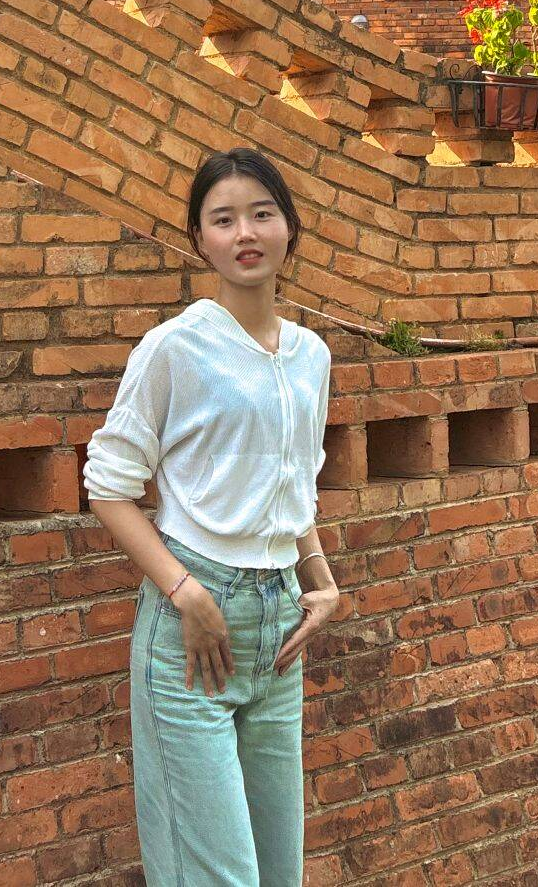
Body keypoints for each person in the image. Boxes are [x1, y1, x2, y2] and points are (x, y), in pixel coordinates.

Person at [83, 146, 339, 886]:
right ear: (199, 239)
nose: (245, 233)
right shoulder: (175, 349)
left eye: (262, 213)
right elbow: (107, 485)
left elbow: (292, 485)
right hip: (193, 627)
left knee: (279, 872)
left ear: (289, 227)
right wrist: (184, 592)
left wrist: (321, 581)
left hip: (279, 625)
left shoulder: (311, 355)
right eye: (223, 220)